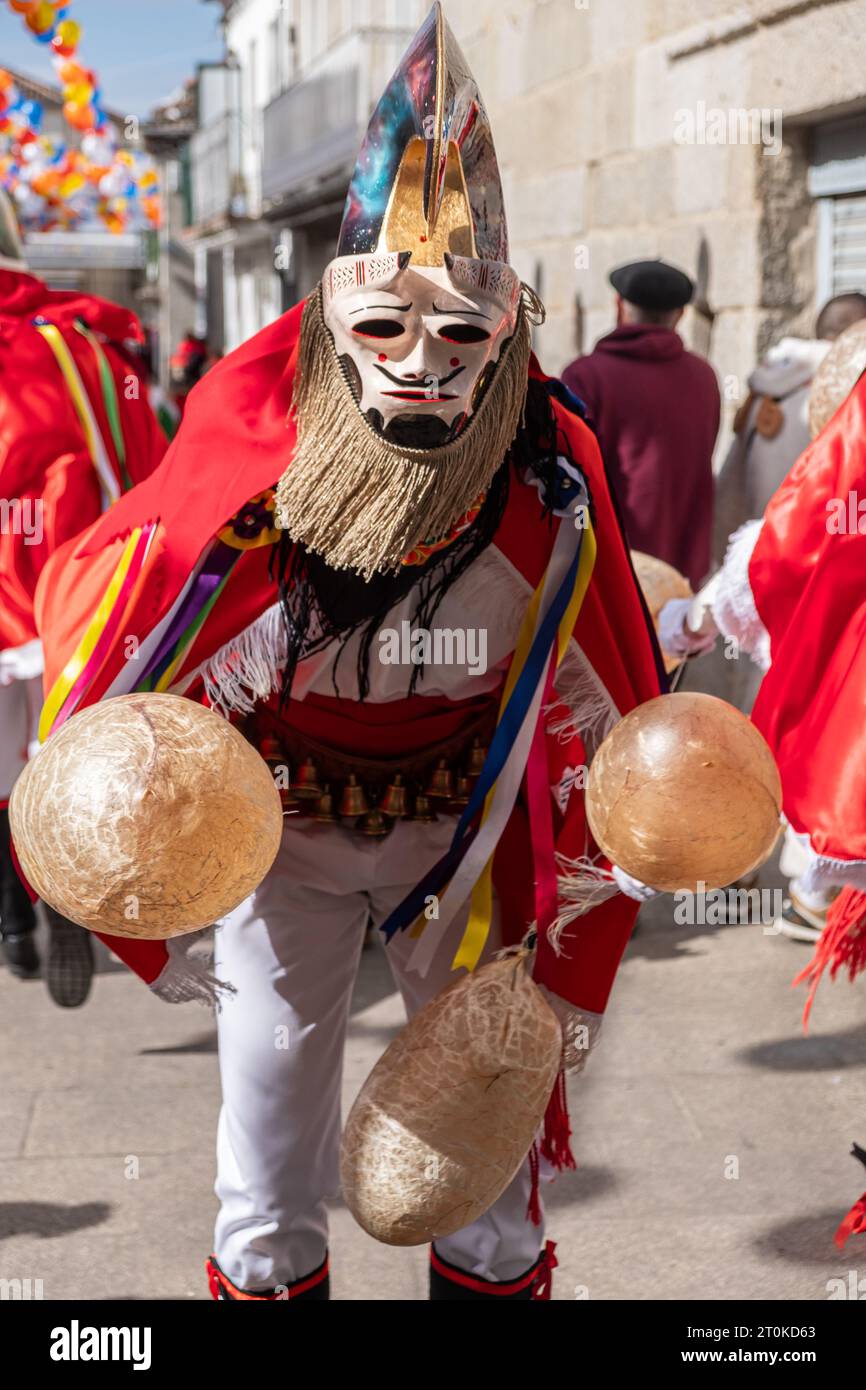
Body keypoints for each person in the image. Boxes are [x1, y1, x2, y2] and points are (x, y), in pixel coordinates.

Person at [35, 5, 662, 1301]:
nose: (423, 365)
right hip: (285, 840)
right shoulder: (244, 468)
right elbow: (113, 587)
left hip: (471, 844)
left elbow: (610, 672)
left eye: (461, 331)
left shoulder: (554, 476)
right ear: (329, 319)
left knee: (480, 1169)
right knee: (265, 1158)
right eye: (385, 327)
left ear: (512, 325)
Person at [0, 188, 167, 1001]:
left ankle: (9, 918)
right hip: (69, 598)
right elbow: (145, 474)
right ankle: (60, 894)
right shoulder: (82, 348)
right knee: (59, 758)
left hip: (23, 596)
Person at [562, 259, 720, 588]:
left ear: (619, 306)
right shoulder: (704, 376)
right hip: (684, 568)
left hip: (609, 568)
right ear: (681, 315)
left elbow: (568, 472)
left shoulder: (585, 376)